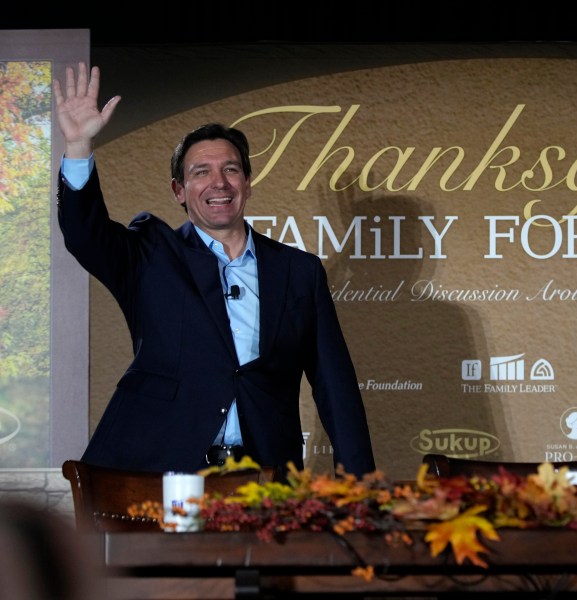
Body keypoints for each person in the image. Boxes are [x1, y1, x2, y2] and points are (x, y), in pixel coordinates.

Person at [53, 62, 375, 477]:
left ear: (248, 183)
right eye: (200, 172)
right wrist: (78, 148)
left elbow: (336, 388)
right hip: (158, 474)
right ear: (179, 191)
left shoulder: (299, 271)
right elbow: (84, 234)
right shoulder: (150, 254)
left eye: (231, 169)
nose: (218, 183)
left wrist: (360, 485)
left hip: (264, 476)